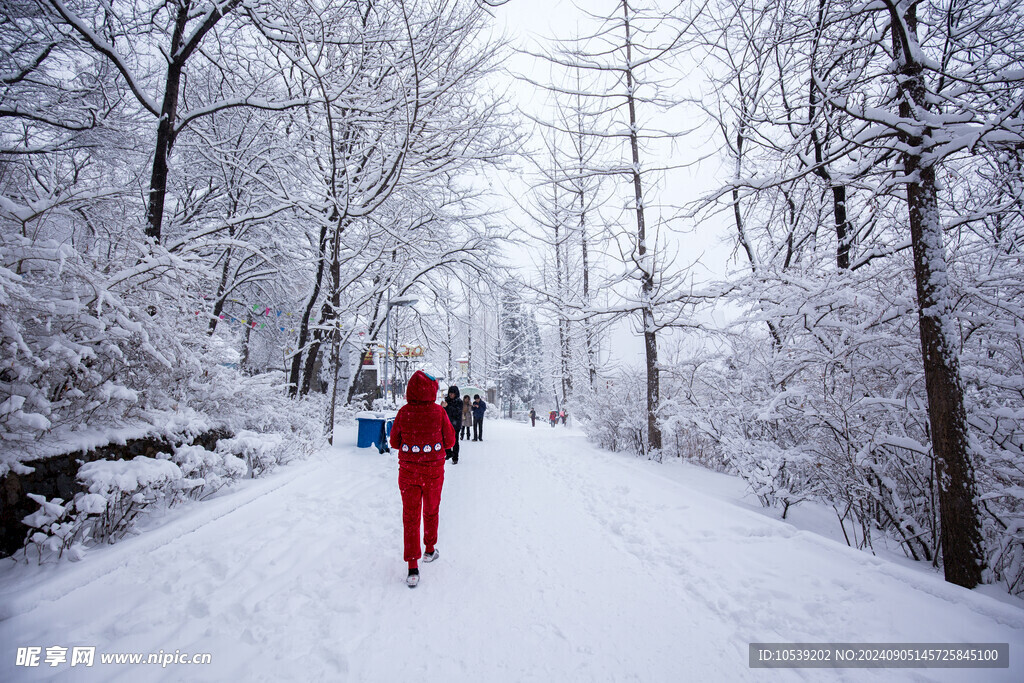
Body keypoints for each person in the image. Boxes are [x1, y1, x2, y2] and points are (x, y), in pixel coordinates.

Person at [389, 370, 456, 588]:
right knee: (431, 510)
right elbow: (450, 441)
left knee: (410, 516)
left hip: (408, 472)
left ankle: (412, 567)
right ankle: (429, 549)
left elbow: (394, 442)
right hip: (433, 472)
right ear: (432, 390)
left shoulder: (404, 412)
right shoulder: (438, 413)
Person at [442, 385, 462, 464]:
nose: (451, 395)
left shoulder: (459, 402)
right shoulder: (447, 400)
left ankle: (455, 457)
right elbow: (444, 412)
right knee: (445, 439)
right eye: (450, 393)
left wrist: (447, 407)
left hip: (456, 424)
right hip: (447, 423)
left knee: (455, 441)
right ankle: (449, 453)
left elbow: (457, 412)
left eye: (452, 393)